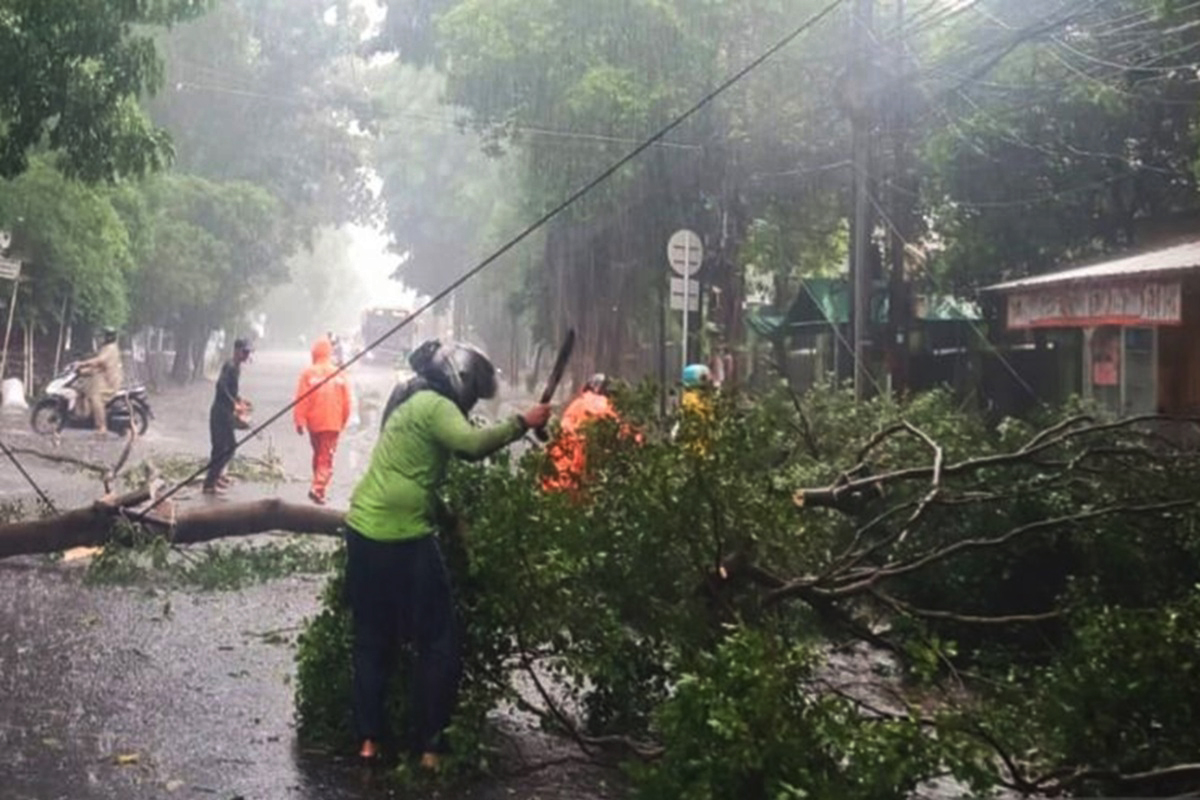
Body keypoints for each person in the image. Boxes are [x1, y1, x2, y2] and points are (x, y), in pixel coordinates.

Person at [344, 340, 551, 768]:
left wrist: (446, 514)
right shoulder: (437, 407)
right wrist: (523, 422)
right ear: (460, 378)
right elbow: (471, 447)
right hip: (404, 536)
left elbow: (408, 471)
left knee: (371, 636)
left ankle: (368, 741)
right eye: (472, 391)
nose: (471, 400)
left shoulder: (407, 403)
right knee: (438, 640)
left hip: (363, 529)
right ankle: (431, 747)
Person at [293, 337, 351, 505]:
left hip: (314, 424)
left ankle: (318, 488)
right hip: (332, 423)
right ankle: (318, 488)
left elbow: (301, 399)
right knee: (326, 458)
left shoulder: (308, 373)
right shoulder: (339, 373)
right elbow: (347, 402)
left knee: (319, 455)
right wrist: (343, 421)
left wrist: (299, 421)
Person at [543, 373, 618, 494]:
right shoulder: (610, 410)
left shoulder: (576, 405)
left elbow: (563, 429)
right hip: (589, 475)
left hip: (561, 475)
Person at [203, 338, 252, 495]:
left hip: (227, 413)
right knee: (220, 449)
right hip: (219, 413)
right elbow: (221, 387)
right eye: (245, 352)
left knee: (230, 446)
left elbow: (231, 391)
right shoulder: (230, 365)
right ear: (237, 350)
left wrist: (240, 400)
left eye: (248, 352)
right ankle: (209, 484)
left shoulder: (237, 368)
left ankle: (217, 476)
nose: (246, 355)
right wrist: (234, 404)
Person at [76, 327, 123, 435]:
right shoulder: (106, 348)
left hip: (109, 382)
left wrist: (82, 364)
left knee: (95, 398)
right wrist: (83, 371)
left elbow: (99, 361)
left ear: (108, 337)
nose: (101, 338)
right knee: (84, 389)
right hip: (103, 378)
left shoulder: (111, 348)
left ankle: (102, 427)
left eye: (103, 336)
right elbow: (99, 366)